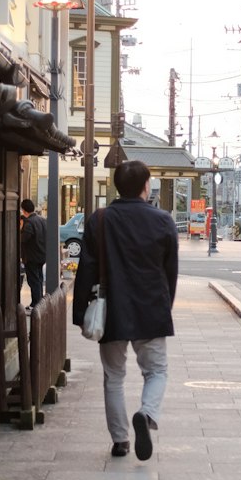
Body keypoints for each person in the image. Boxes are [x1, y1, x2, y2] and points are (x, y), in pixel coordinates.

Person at [72, 159, 178, 460]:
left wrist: (81, 313)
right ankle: (146, 414)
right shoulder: (163, 221)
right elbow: (170, 272)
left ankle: (120, 441)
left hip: (112, 310)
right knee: (156, 371)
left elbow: (87, 269)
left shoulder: (100, 220)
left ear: (117, 185)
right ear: (146, 186)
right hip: (151, 310)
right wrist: (164, 307)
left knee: (114, 376)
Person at [19, 197, 47, 307]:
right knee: (39, 279)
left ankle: (36, 303)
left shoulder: (29, 223)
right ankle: (39, 302)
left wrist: (21, 229)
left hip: (31, 256)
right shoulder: (42, 220)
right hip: (41, 255)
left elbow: (24, 238)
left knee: (33, 280)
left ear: (24, 210)